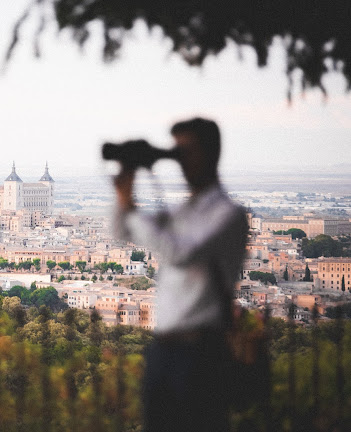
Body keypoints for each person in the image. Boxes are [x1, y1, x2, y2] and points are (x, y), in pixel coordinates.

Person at [112, 118, 248, 431]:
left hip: (202, 352)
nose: (181, 160)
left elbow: (179, 253)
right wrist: (125, 190)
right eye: (177, 152)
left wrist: (131, 208)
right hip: (163, 348)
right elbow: (121, 229)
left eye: (187, 151)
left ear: (211, 154)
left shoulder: (228, 214)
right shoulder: (183, 212)